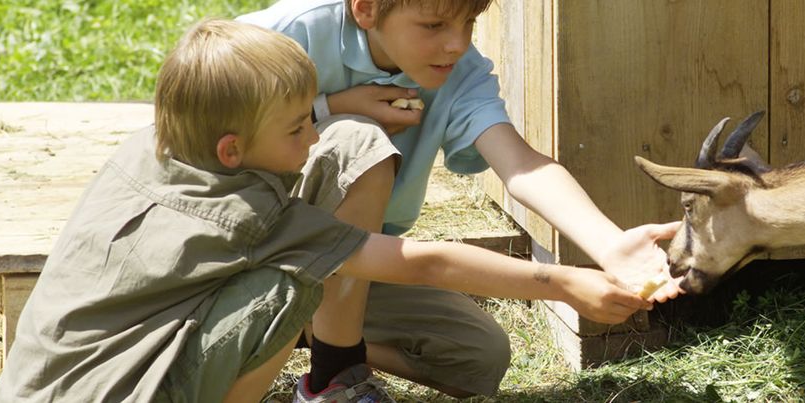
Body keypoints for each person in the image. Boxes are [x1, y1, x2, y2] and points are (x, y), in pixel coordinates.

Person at [0, 19, 663, 403]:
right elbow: (419, 259)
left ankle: (334, 362)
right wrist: (564, 282)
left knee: (471, 354)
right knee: (285, 287)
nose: (313, 136)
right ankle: (326, 377)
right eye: (298, 128)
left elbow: (513, 163)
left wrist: (330, 110)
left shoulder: (156, 147)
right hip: (108, 393)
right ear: (234, 149)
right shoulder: (249, 215)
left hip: (42, 380)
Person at [237, 0, 683, 400]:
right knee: (359, 140)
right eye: (433, 25)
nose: (456, 44)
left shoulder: (461, 71)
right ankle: (335, 376)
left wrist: (607, 245)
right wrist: (329, 107)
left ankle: (299, 325)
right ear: (366, 9)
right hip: (253, 250)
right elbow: (193, 131)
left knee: (478, 357)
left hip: (358, 264)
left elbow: (522, 166)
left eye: (469, 21)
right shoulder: (286, 35)